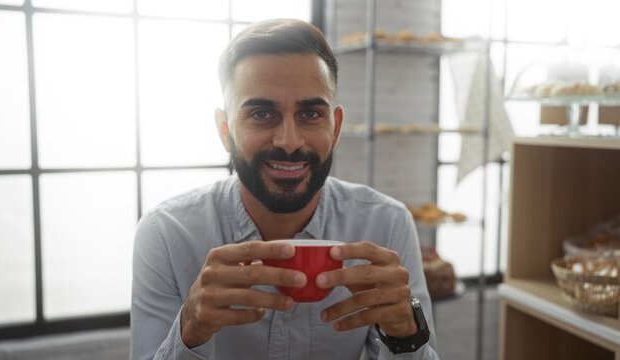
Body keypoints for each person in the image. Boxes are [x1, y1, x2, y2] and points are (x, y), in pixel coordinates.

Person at [131, 19, 439, 360]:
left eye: (310, 113)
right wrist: (190, 331)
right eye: (261, 113)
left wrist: (405, 335)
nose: (289, 142)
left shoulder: (387, 225)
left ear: (335, 129)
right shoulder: (166, 234)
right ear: (224, 130)